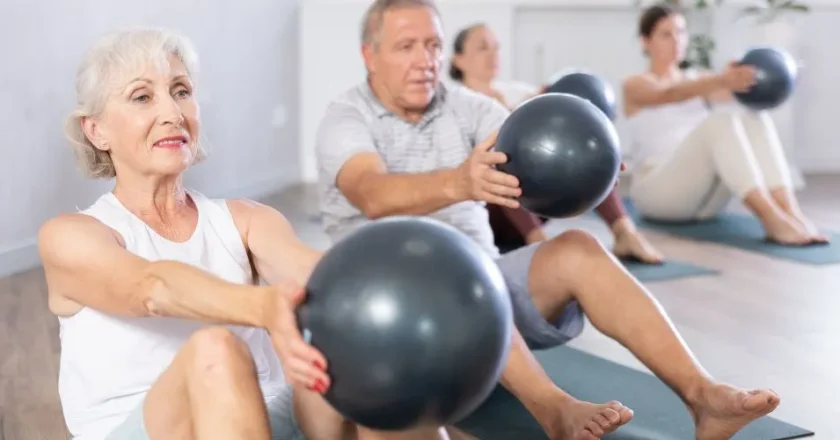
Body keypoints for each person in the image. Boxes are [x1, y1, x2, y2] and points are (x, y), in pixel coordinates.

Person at [315, 0, 782, 439]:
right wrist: (460, 182)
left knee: (577, 249)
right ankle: (554, 410)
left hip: (486, 291)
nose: (425, 60)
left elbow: (526, 142)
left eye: (433, 45)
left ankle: (704, 398)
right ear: (369, 56)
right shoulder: (346, 117)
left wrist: (584, 158)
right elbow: (371, 194)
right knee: (459, 279)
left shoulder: (466, 106)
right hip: (386, 314)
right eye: (405, 46)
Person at [39, 27, 465, 440]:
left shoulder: (245, 220)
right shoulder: (72, 236)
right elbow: (150, 287)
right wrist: (263, 307)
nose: (172, 113)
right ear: (96, 130)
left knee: (362, 359)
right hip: (140, 430)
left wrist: (398, 297)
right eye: (142, 97)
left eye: (182, 91)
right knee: (215, 351)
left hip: (261, 416)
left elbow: (315, 274)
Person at [448, 22, 664, 264]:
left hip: (537, 203)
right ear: (458, 60)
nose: (493, 54)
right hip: (487, 210)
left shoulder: (519, 92)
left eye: (496, 48)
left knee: (587, 152)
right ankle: (539, 243)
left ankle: (625, 232)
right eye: (482, 48)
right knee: (508, 157)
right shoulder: (454, 104)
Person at [622, 3, 829, 246]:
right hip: (658, 196)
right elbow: (669, 94)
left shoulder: (699, 82)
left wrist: (777, 78)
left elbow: (740, 91)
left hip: (704, 202)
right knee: (720, 121)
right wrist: (720, 79)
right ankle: (771, 218)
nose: (677, 40)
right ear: (646, 41)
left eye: (681, 32)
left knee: (753, 117)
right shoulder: (634, 85)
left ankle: (791, 212)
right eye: (666, 34)